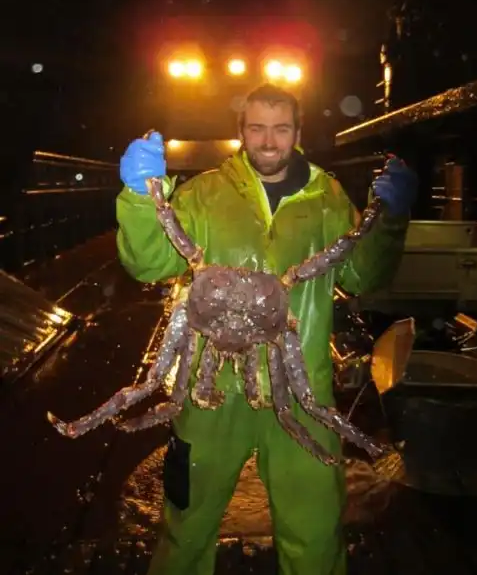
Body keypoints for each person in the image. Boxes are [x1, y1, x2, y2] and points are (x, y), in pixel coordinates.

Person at [116, 83, 418, 575]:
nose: (269, 141)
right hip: (209, 391)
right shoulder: (203, 194)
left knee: (315, 528)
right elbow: (149, 263)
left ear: (297, 132)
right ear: (241, 131)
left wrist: (390, 221)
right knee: (186, 523)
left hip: (302, 388)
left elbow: (364, 275)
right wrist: (137, 197)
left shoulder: (328, 199)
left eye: (281, 129)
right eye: (257, 128)